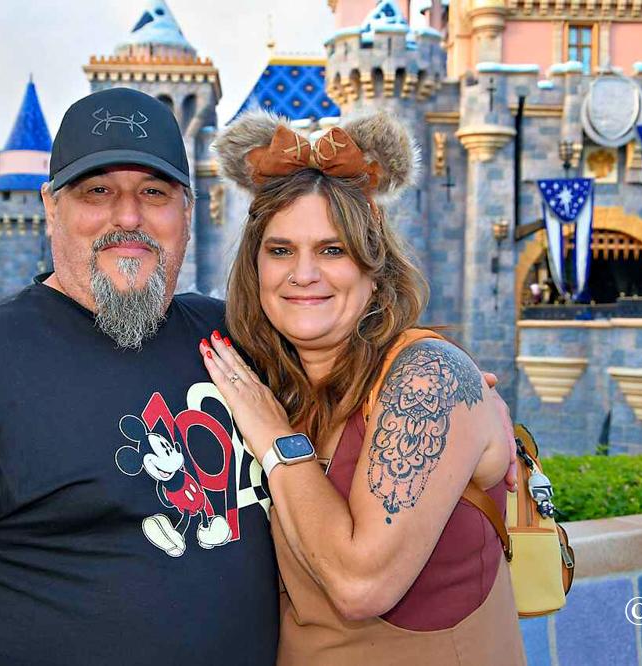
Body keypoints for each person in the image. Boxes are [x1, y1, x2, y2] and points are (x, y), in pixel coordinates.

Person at [0, 88, 280, 665]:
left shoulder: (232, 337)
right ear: (50, 207)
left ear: (187, 211)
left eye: (154, 193)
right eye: (98, 191)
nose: (128, 216)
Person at [208, 111, 525, 665]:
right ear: (254, 269)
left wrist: (275, 440)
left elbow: (361, 587)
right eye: (280, 250)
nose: (303, 274)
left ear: (373, 267)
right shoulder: (269, 383)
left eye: (332, 250)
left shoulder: (428, 379)